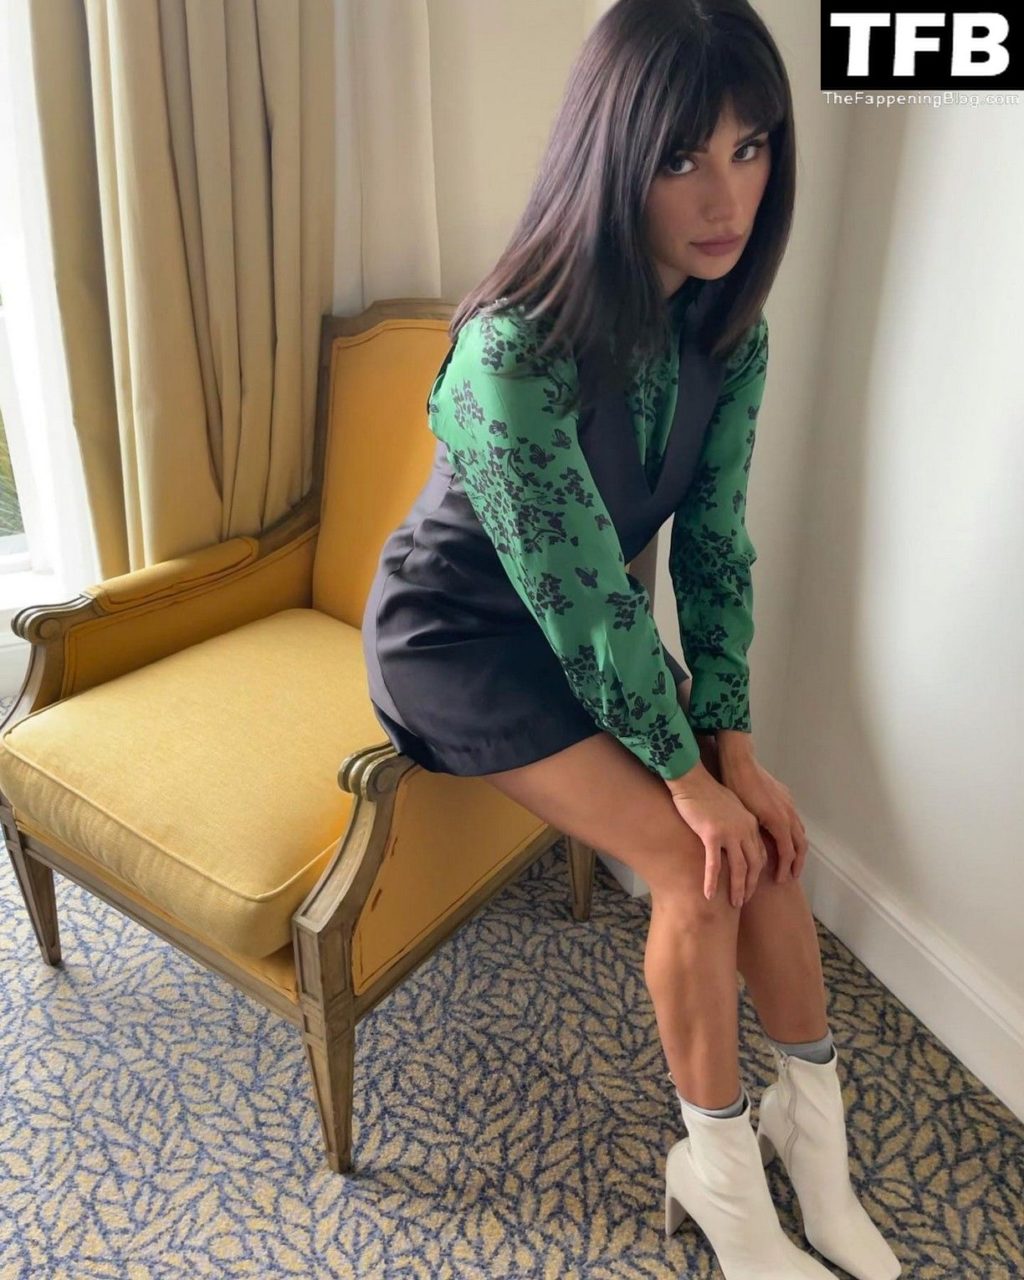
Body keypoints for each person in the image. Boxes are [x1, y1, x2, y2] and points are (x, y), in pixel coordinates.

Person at [362, 2, 901, 1277]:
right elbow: (582, 602)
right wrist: (681, 774)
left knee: (765, 838)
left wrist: (733, 744)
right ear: (613, 156)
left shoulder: (726, 331)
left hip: (582, 627)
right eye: (680, 157)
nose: (727, 196)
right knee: (696, 864)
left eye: (751, 147)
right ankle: (720, 1181)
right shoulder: (512, 347)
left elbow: (711, 544)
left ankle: (810, 1140)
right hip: (461, 638)